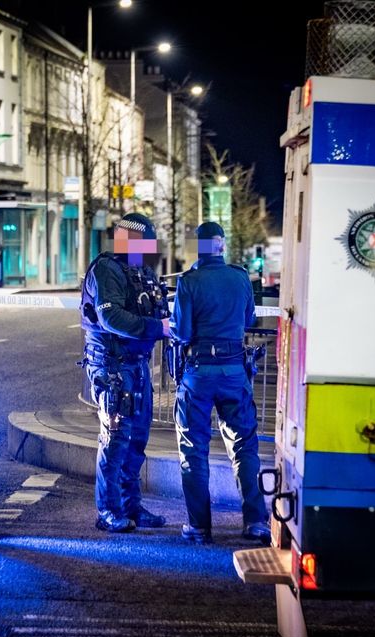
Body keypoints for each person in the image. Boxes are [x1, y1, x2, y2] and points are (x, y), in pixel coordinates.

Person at [171, 221, 270, 545]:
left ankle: (199, 526)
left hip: (199, 373)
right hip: (233, 371)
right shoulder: (240, 277)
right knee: (244, 446)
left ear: (198, 248)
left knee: (194, 450)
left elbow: (182, 332)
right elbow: (249, 320)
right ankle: (255, 522)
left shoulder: (189, 282)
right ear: (222, 245)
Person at [80, 213, 170, 533]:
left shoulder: (138, 271)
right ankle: (108, 510)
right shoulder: (106, 270)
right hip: (112, 365)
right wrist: (156, 327)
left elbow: (154, 306)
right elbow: (111, 318)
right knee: (115, 439)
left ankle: (132, 506)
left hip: (136, 364)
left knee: (137, 441)